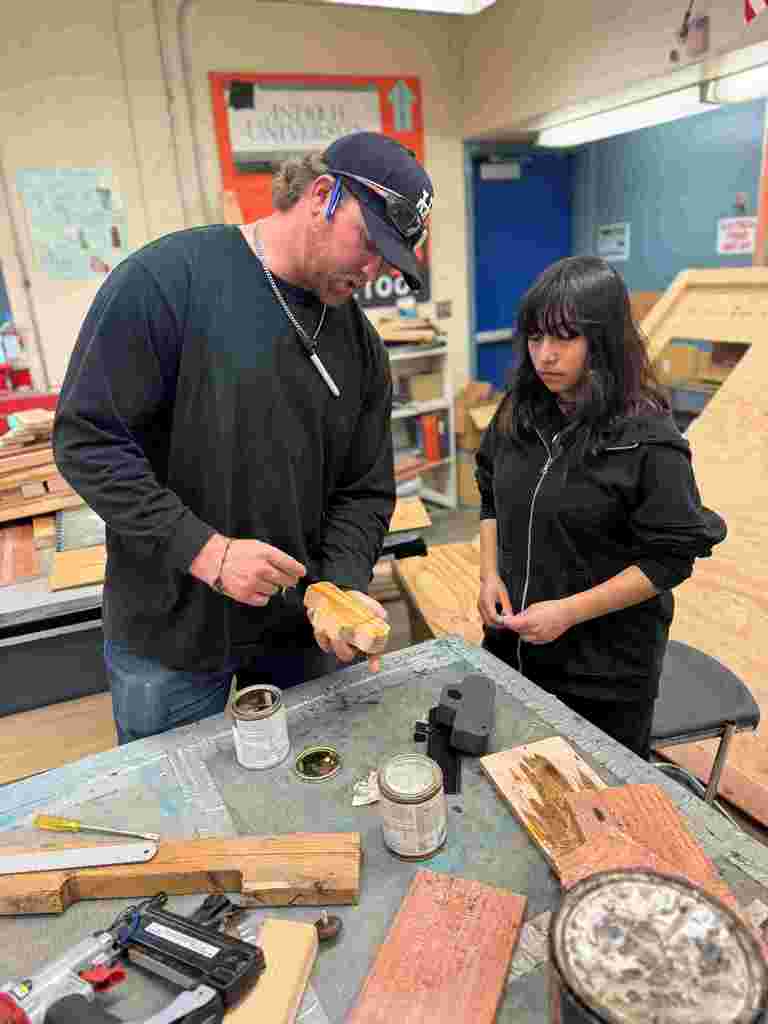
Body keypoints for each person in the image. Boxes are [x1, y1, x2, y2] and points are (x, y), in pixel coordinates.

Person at [53, 131, 434, 744]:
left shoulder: (360, 347)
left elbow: (364, 491)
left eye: (389, 262)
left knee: (300, 801)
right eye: (368, 243)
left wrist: (337, 586)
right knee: (176, 815)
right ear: (322, 196)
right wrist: (207, 550)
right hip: (171, 634)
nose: (373, 271)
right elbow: (88, 440)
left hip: (297, 637)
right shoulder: (168, 282)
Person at [476, 256, 726, 759]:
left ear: (604, 340)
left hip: (602, 676)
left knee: (597, 812)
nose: (544, 355)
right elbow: (489, 492)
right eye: (534, 337)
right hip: (511, 650)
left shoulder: (648, 439)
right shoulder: (519, 412)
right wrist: (489, 575)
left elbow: (669, 559)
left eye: (564, 339)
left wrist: (569, 611)